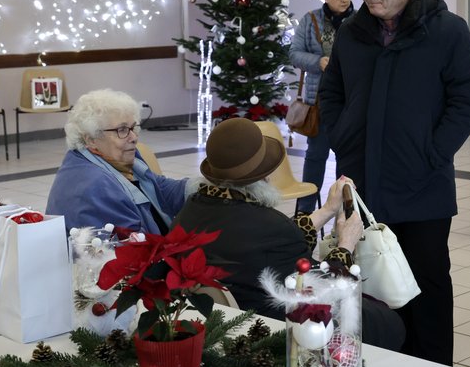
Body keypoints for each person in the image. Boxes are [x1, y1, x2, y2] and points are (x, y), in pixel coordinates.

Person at [319, 0, 470, 366]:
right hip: (362, 182)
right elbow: (332, 91)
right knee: (370, 280)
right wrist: (343, 137)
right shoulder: (353, 34)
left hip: (422, 183)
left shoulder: (446, 30)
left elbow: (469, 98)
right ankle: (384, 363)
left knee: (426, 280)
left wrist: (435, 150)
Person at [173, 117, 405, 350]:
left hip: (218, 323)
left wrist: (326, 211)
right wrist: (346, 244)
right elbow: (324, 286)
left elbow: (271, 244)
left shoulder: (190, 211)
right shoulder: (269, 225)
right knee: (388, 322)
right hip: (275, 327)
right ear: (263, 176)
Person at [47, 89, 186, 235]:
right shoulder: (95, 185)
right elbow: (135, 245)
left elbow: (159, 188)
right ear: (91, 139)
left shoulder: (115, 158)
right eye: (122, 129)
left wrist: (198, 188)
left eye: (133, 128)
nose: (133, 137)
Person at [288, 0, 356, 212]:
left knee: (348, 158)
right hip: (320, 103)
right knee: (316, 157)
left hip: (352, 102)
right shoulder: (311, 20)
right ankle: (305, 212)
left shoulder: (360, 20)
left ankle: (347, 210)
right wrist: (319, 62)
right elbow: (294, 54)